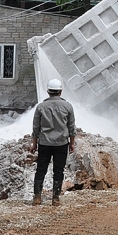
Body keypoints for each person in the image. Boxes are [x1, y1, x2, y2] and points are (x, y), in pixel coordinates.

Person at [30, 78, 76, 206]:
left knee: (41, 170)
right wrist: (72, 143)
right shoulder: (68, 106)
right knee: (59, 170)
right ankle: (55, 198)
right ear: (60, 91)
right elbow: (72, 127)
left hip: (44, 143)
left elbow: (35, 128)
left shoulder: (41, 107)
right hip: (61, 144)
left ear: (48, 91)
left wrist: (34, 144)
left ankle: (37, 198)